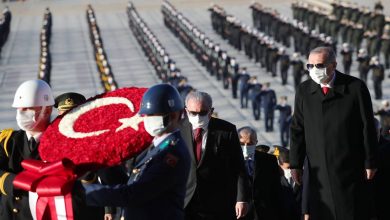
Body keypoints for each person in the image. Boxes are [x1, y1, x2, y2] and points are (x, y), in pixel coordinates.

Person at [290, 47, 378, 220]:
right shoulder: (304, 90)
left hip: (350, 164)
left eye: (320, 65)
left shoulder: (355, 87)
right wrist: (295, 164)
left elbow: (367, 126)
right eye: (310, 66)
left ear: (334, 65)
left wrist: (370, 161)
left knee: (351, 210)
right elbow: (297, 129)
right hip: (318, 167)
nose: (314, 70)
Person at [81, 84, 191, 220]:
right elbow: (131, 182)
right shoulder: (158, 147)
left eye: (152, 115)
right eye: (145, 115)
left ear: (174, 115)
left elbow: (135, 194)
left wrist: (84, 193)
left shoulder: (172, 153)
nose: (147, 119)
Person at [183, 91, 250, 220]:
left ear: (211, 110)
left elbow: (239, 166)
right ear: (186, 111)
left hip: (217, 201)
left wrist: (241, 199)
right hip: (185, 200)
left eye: (202, 112)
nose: (197, 117)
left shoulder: (226, 131)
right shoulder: (178, 130)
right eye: (193, 113)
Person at [0, 79, 54, 220]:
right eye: (19, 108)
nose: (20, 113)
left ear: (47, 110)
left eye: (27, 108)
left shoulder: (59, 142)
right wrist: (16, 181)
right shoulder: (8, 141)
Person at [277, 149, 301, 220]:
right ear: (280, 165)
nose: (290, 171)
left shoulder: (301, 175)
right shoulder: (276, 179)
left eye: (292, 167)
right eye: (288, 168)